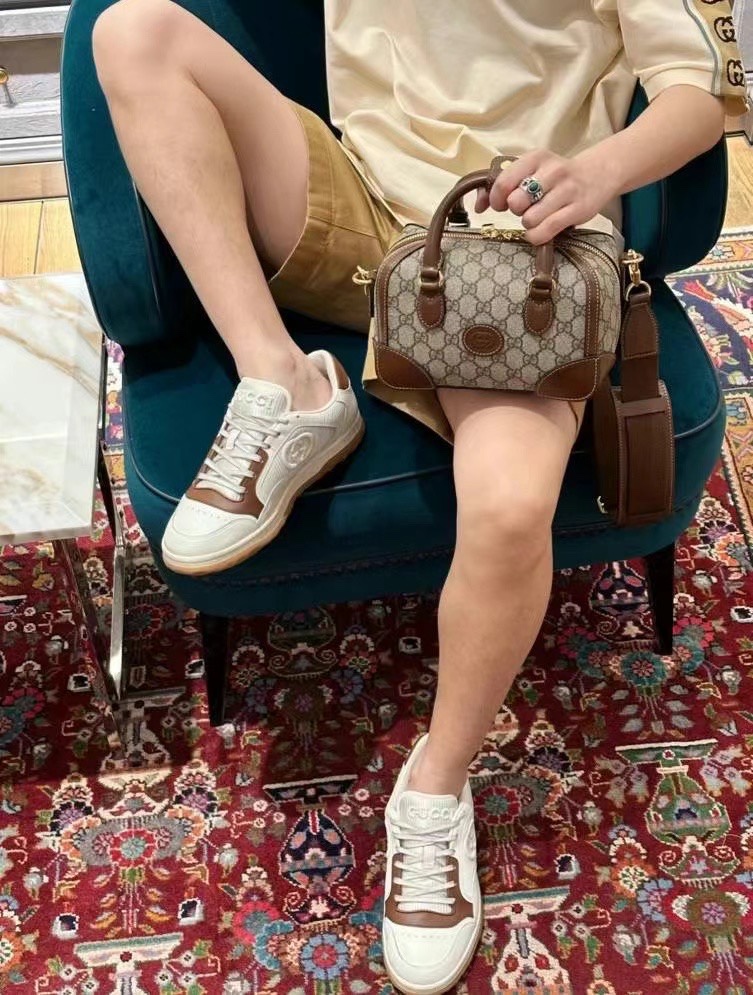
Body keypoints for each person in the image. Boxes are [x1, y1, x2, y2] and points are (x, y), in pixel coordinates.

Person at [91, 2, 747, 992]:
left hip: (514, 241)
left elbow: (701, 99)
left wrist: (596, 172)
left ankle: (434, 786)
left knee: (511, 506)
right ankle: (288, 383)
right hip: (359, 200)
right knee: (131, 30)